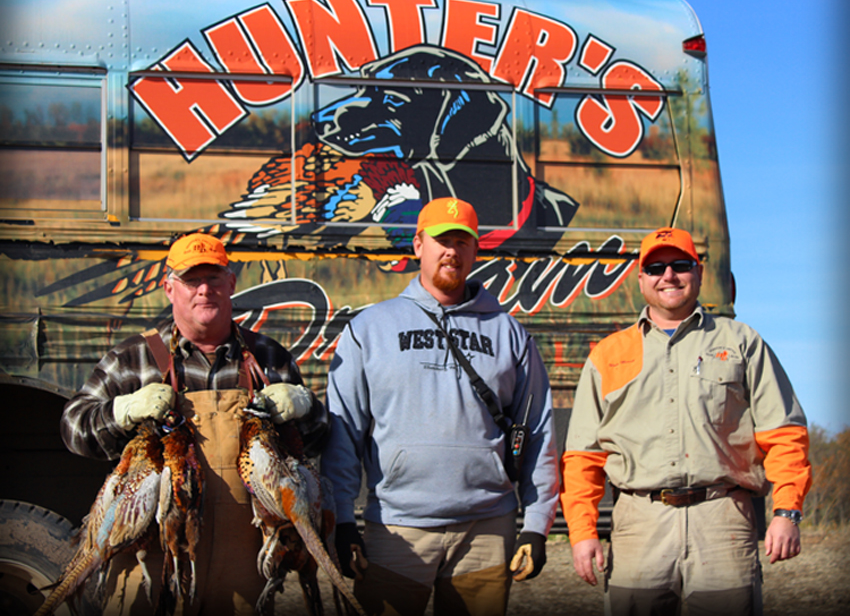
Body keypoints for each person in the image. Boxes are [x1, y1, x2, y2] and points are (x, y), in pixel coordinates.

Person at [60, 232, 328, 616]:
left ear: (231, 284)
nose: (204, 290)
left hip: (240, 575)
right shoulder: (134, 357)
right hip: (151, 568)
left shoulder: (268, 358)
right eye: (191, 280)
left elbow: (317, 441)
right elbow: (72, 426)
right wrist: (121, 411)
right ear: (169, 288)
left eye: (214, 278)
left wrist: (305, 406)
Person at [320, 197, 560, 616]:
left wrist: (537, 525)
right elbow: (343, 434)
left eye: (463, 241)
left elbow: (538, 431)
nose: (452, 250)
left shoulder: (509, 333)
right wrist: (341, 520)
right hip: (396, 530)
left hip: (486, 530)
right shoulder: (370, 328)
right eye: (441, 240)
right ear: (418, 245)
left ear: (475, 250)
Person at [560, 227, 813, 616]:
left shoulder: (742, 342)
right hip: (637, 526)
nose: (668, 276)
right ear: (640, 278)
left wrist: (787, 511)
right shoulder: (608, 355)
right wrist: (582, 532)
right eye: (656, 267)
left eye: (680, 265)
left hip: (724, 520)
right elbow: (582, 458)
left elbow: (785, 434)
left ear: (698, 272)